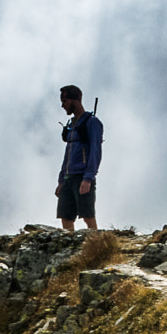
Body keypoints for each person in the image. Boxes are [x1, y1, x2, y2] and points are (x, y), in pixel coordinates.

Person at [56, 84, 103, 231]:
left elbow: (95, 151)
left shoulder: (92, 123)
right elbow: (67, 155)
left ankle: (96, 246)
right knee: (65, 217)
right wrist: (61, 180)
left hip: (82, 177)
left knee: (88, 216)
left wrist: (88, 178)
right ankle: (72, 249)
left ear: (74, 100)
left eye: (65, 101)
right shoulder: (72, 125)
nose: (63, 105)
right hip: (68, 178)